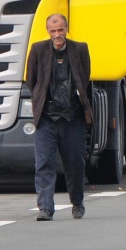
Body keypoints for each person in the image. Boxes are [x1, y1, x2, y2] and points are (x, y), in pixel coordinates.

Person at [26, 13, 92, 221]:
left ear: (67, 29)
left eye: (60, 30)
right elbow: (32, 80)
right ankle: (45, 208)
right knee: (44, 162)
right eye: (53, 31)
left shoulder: (80, 49)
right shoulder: (37, 50)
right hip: (46, 117)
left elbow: (85, 77)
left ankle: (77, 203)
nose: (57, 35)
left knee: (74, 163)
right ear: (48, 32)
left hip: (72, 117)